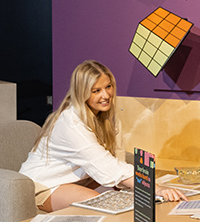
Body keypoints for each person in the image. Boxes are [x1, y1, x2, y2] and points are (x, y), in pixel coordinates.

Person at [19, 60, 187, 212]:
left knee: (126, 197)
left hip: (79, 180)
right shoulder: (71, 124)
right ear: (82, 93)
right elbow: (107, 166)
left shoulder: (109, 119)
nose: (105, 95)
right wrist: (156, 188)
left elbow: (117, 161)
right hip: (44, 184)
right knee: (96, 201)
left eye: (108, 87)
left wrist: (147, 189)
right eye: (96, 91)